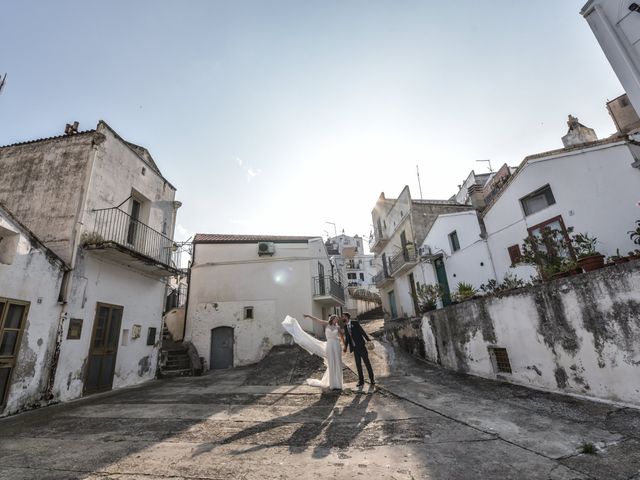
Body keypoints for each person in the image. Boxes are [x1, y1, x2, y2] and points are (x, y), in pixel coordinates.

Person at [281, 314, 344, 391]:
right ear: (332, 319)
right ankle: (332, 383)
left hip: (336, 346)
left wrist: (343, 344)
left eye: (337, 319)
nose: (337, 320)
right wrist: (308, 316)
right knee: (331, 363)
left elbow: (342, 336)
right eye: (336, 319)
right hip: (330, 346)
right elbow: (317, 320)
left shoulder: (338, 327)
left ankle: (338, 384)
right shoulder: (326, 324)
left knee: (337, 362)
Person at [342, 312, 375, 388]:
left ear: (347, 317)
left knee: (367, 363)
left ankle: (372, 379)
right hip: (355, 348)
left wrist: (368, 340)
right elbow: (347, 338)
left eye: (343, 316)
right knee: (358, 365)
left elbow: (362, 332)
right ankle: (361, 381)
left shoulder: (355, 323)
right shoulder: (345, 326)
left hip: (361, 346)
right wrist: (345, 347)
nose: (342, 318)